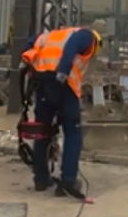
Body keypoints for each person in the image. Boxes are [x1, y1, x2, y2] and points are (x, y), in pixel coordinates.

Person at [20, 25, 103, 200]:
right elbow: (73, 45)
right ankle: (67, 182)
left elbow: (29, 43)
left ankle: (41, 179)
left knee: (43, 131)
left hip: (43, 83)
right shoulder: (88, 36)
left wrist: (29, 69)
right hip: (63, 85)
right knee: (73, 132)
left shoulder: (49, 36)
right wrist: (64, 71)